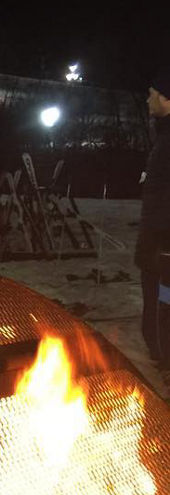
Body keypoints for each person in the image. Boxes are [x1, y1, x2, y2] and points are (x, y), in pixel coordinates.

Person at [137, 69, 170, 369]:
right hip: (155, 246)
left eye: (152, 94)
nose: (148, 100)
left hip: (163, 248)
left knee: (164, 301)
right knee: (158, 301)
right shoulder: (162, 137)